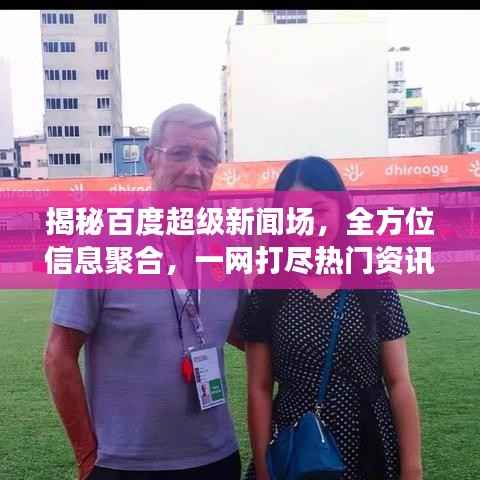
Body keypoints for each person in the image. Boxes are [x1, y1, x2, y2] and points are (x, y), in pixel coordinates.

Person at [44, 104, 244, 480]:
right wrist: (87, 455)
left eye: (207, 158)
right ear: (151, 158)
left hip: (216, 458)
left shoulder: (226, 244)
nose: (194, 169)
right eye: (180, 153)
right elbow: (59, 355)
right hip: (125, 465)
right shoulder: (101, 240)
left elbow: (242, 333)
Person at [239, 157, 423, 480]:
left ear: (340, 208)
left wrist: (412, 468)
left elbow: (399, 382)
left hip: (369, 442)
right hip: (297, 446)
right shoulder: (268, 289)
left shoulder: (374, 280)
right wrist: (265, 470)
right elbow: (260, 387)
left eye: (318, 211)